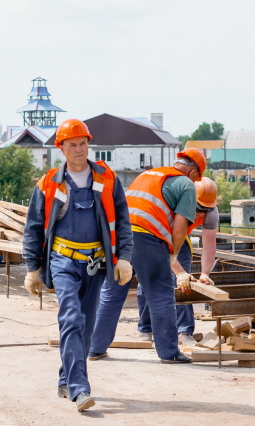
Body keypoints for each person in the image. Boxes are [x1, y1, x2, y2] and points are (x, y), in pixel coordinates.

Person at [22, 119, 133, 413]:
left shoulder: (107, 178)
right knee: (71, 318)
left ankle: (66, 378)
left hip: (95, 263)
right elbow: (33, 227)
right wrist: (33, 269)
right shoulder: (49, 183)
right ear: (61, 148)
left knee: (86, 324)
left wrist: (124, 257)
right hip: (62, 260)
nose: (79, 149)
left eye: (83, 143)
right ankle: (80, 389)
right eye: (72, 144)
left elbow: (122, 220)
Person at [89, 148, 207, 365]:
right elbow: (180, 229)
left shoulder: (148, 174)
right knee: (160, 294)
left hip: (117, 237)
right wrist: (172, 255)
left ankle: (95, 348)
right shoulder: (186, 185)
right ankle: (169, 352)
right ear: (193, 174)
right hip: (147, 238)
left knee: (112, 292)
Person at [136, 176, 219, 346]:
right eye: (197, 208)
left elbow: (209, 246)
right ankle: (146, 328)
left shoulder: (211, 212)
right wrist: (179, 271)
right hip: (153, 234)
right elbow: (163, 245)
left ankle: (184, 330)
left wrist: (204, 273)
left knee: (185, 283)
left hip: (181, 235)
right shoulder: (170, 206)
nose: (200, 213)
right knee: (148, 278)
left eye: (205, 210)